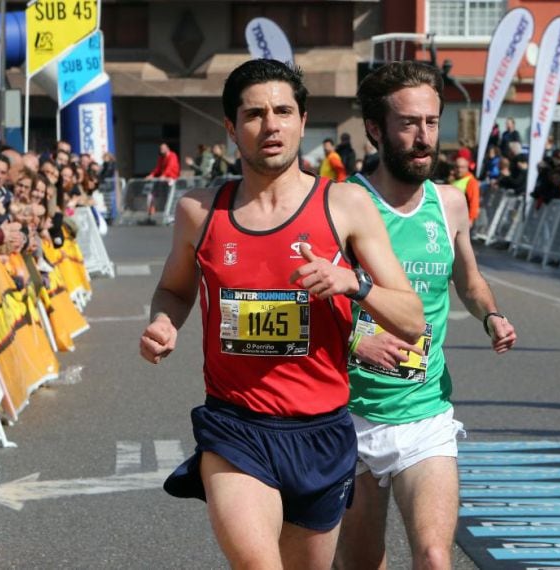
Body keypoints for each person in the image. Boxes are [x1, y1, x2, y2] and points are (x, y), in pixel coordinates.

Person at [139, 59, 425, 569]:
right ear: (232, 128)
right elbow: (173, 290)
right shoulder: (199, 212)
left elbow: (411, 319)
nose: (270, 125)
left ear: (301, 119)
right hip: (236, 427)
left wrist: (353, 284)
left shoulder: (346, 206)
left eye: (283, 111)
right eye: (254, 114)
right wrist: (164, 321)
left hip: (320, 432)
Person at [334, 61, 517, 570]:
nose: (423, 137)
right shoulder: (343, 203)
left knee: (436, 557)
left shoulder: (450, 203)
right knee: (362, 563)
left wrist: (491, 316)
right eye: (409, 123)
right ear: (375, 128)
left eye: (432, 122)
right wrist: (354, 342)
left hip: (425, 412)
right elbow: (310, 298)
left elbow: (469, 280)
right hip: (350, 414)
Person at [451, 156, 480, 226]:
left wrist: (471, 219)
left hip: (463, 220)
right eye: (457, 167)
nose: (459, 170)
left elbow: (474, 201)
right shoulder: (454, 180)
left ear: (467, 168)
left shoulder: (471, 181)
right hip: (453, 218)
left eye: (462, 167)